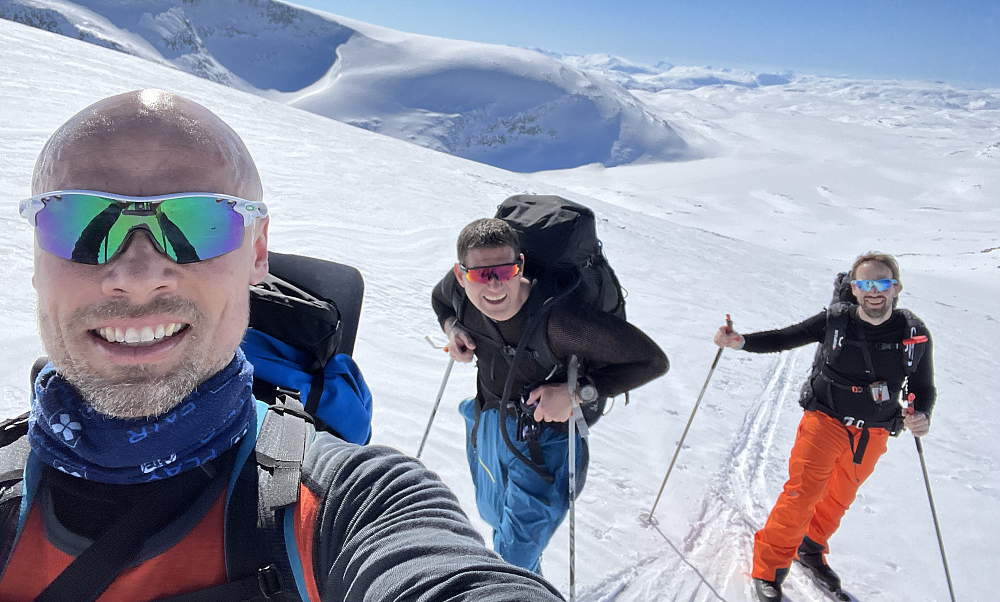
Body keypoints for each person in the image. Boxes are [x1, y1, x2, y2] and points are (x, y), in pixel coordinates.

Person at [0, 89, 565, 601]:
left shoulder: (354, 504)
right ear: (35, 256)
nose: (140, 273)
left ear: (258, 252)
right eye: (80, 222)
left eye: (199, 223)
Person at [431, 217, 668, 573]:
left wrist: (576, 394)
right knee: (495, 520)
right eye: (481, 274)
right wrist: (454, 330)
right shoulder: (460, 292)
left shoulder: (560, 322)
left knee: (510, 561)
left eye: (505, 270)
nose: (494, 285)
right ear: (462, 273)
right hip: (488, 423)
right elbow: (440, 301)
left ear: (520, 265)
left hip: (548, 447)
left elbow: (652, 360)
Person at [714, 252, 935, 602]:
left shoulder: (913, 333)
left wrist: (922, 414)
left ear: (896, 288)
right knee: (802, 493)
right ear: (854, 288)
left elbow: (924, 388)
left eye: (882, 283)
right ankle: (769, 569)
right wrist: (741, 342)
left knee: (840, 497)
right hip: (825, 418)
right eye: (864, 284)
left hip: (874, 431)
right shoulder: (837, 321)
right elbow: (785, 338)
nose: (873, 291)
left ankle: (810, 547)